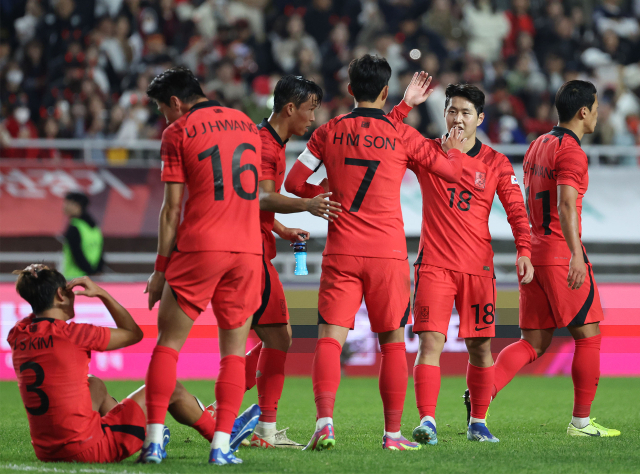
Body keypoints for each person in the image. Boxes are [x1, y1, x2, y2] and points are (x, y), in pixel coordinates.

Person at [284, 55, 466, 451]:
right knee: (393, 345)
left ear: (350, 90)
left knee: (330, 340)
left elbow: (294, 182)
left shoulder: (328, 131)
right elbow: (450, 172)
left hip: (342, 251)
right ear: (385, 91)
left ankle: (325, 423)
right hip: (387, 254)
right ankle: (392, 435)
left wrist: (325, 195)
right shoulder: (404, 135)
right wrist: (445, 144)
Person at [390, 84, 533, 445]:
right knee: (429, 344)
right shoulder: (427, 151)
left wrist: (524, 250)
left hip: (478, 269)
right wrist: (405, 106)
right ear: (445, 113)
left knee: (481, 348)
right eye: (452, 110)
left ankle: (478, 423)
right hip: (434, 266)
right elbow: (388, 135)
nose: (457, 118)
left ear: (480, 119)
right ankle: (427, 422)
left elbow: (517, 210)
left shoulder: (497, 162)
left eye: (465, 112)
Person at [7, 265, 257, 463]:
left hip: (47, 451)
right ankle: (222, 436)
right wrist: (102, 293)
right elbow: (133, 333)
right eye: (68, 291)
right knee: (169, 386)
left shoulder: (18, 334)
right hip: (89, 449)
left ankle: (144, 432)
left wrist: (37, 286)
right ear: (61, 294)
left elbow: (39, 312)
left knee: (94, 384)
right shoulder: (74, 334)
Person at [142, 67, 263, 465]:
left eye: (163, 109)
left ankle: (155, 442)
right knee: (232, 353)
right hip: (246, 251)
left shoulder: (177, 132)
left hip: (200, 248)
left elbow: (172, 209)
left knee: (168, 345)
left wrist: (161, 269)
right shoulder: (247, 124)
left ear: (175, 102)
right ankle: (221, 447)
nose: (164, 117)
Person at [487, 80, 620, 437]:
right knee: (589, 335)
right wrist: (576, 254)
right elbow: (565, 204)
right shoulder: (573, 152)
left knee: (533, 342)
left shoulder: (537, 145)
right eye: (594, 108)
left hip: (534, 252)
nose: (597, 114)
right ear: (583, 112)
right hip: (560, 254)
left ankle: (484, 392)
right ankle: (581, 422)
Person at [241, 74, 341, 449]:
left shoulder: (266, 140)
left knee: (275, 337)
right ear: (289, 108)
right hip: (250, 256)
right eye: (310, 110)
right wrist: (307, 204)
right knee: (274, 338)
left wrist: (280, 229)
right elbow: (261, 199)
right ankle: (250, 423)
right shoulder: (265, 147)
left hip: (255, 246)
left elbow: (254, 202)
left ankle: (252, 423)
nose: (313, 119)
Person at [62, 192, 104, 279]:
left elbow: (77, 254)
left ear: (77, 205)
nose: (64, 206)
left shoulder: (74, 227)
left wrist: (89, 271)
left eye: (67, 203)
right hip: (93, 278)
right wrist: (96, 271)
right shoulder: (95, 227)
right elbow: (101, 252)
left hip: (75, 278)